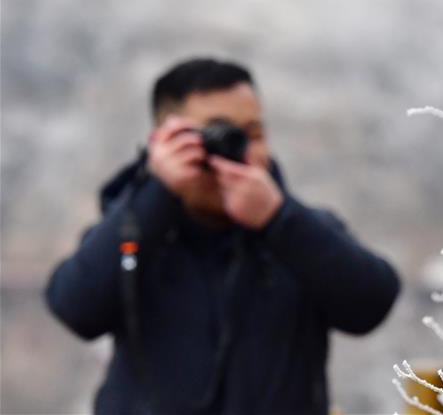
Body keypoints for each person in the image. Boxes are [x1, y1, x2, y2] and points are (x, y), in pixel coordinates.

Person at [44, 57, 401, 415]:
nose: (241, 149)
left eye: (254, 133)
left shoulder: (300, 233)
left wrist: (279, 220)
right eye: (218, 135)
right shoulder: (133, 234)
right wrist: (155, 193)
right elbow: (75, 308)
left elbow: (371, 304)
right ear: (166, 142)